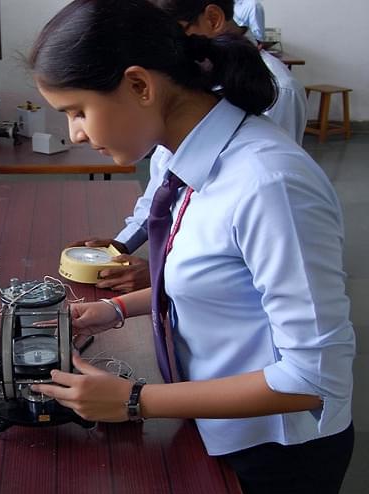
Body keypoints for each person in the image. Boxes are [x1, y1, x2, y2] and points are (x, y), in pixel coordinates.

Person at [28, 1, 354, 494]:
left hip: (276, 451)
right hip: (215, 421)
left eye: (78, 112)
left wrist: (133, 400)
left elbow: (314, 377)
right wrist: (114, 310)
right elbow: (217, 280)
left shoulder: (269, 184)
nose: (74, 133)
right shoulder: (185, 158)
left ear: (140, 85)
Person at [69, 0, 306, 292]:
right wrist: (123, 244)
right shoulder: (183, 93)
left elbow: (262, 237)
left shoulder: (268, 156)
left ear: (213, 19)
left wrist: (166, 275)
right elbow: (164, 183)